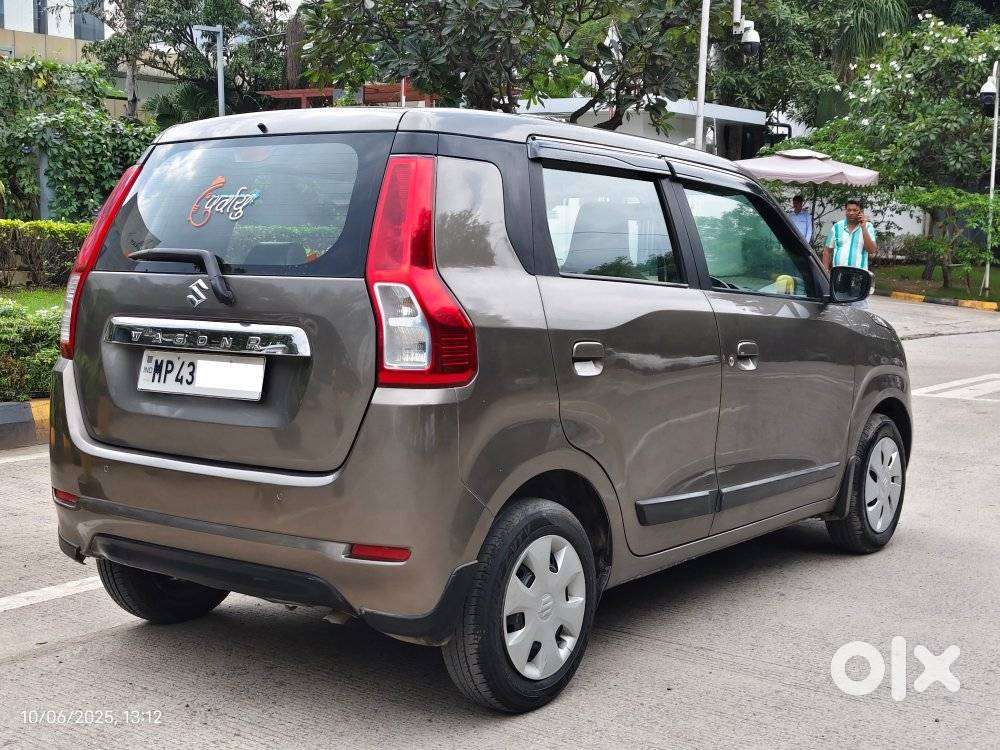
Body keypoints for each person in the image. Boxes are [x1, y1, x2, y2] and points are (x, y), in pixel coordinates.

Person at [824, 198, 877, 271]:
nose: (851, 213)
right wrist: (825, 271)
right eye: (849, 210)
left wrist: (863, 228)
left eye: (855, 210)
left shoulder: (868, 226)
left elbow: (872, 250)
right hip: (838, 274)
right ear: (845, 211)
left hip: (858, 274)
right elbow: (827, 251)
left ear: (861, 212)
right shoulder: (837, 227)